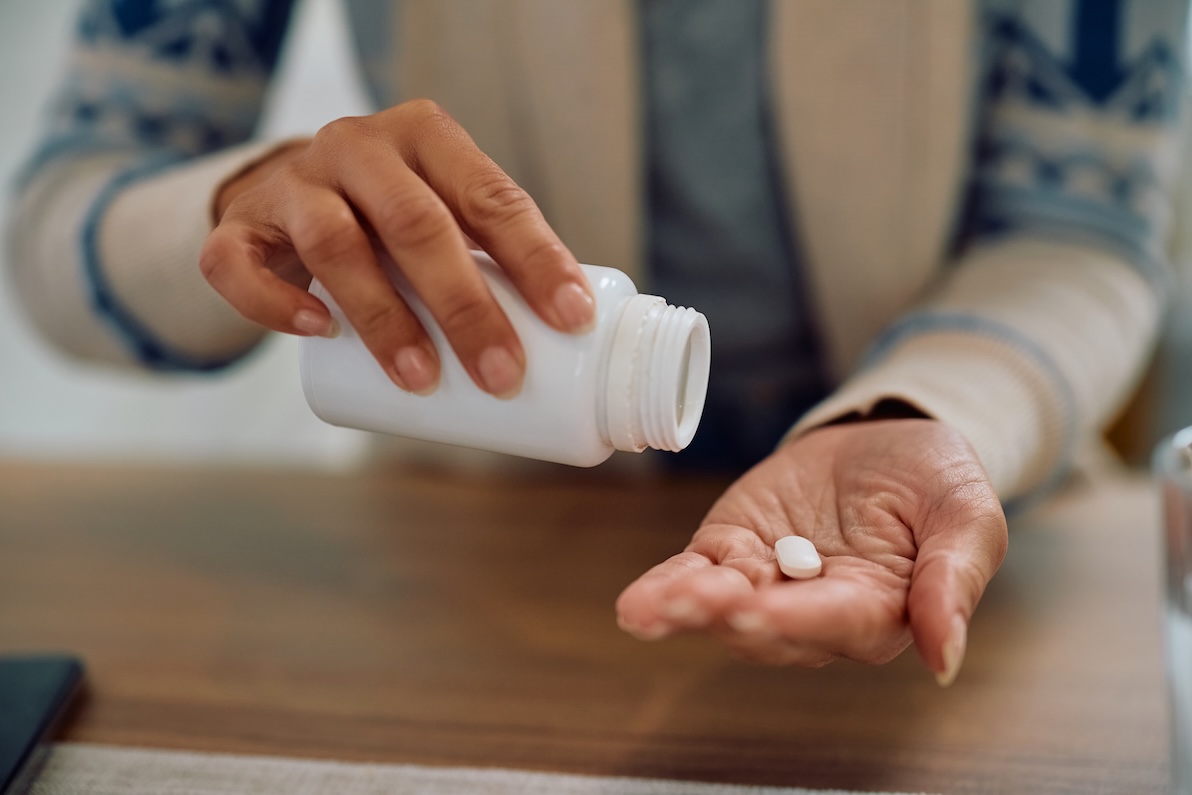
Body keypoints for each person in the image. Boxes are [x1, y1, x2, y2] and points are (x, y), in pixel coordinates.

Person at [6, 0, 1187, 684]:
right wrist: (243, 206)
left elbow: (1077, 230)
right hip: (462, 582)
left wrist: (920, 417)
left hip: (976, 553)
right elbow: (61, 220)